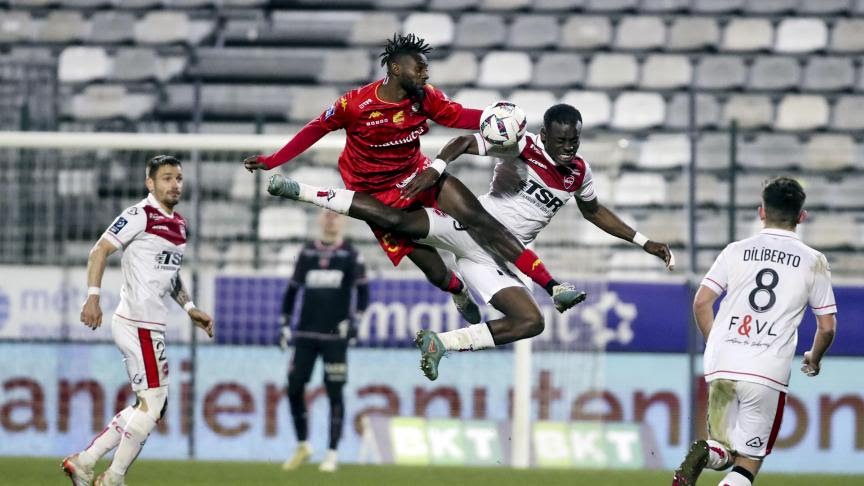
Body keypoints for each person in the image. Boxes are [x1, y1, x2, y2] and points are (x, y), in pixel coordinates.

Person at [269, 104, 673, 380]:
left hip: (496, 260)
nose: (569, 148)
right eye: (562, 140)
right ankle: (301, 190)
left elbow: (594, 211)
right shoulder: (522, 145)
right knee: (396, 221)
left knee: (531, 322)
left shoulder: (578, 173)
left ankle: (441, 343)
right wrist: (438, 167)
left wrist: (643, 241)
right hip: (468, 227)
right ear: (545, 134)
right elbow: (463, 141)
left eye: (575, 141)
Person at [244, 33, 585, 326]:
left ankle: (552, 285)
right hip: (373, 192)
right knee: (436, 273)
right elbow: (315, 129)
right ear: (395, 68)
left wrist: (498, 118)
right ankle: (458, 290)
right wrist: (273, 160)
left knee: (481, 220)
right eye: (419, 67)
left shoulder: (425, 98)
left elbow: (457, 115)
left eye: (426, 67)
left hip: (419, 173)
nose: (425, 73)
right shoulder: (355, 104)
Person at [672, 177, 837, 486]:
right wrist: (813, 359)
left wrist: (717, 342)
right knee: (749, 461)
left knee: (724, 451)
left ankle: (707, 451)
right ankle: (709, 452)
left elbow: (702, 302)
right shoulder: (814, 261)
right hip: (765, 370)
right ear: (801, 216)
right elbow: (826, 327)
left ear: (762, 212)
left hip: (722, 364)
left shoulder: (735, 251)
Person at [62, 155, 214, 486]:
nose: (175, 184)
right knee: (155, 404)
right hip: (137, 322)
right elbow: (98, 251)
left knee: (146, 404)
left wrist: (190, 309)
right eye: (166, 178)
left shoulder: (180, 225)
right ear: (151, 184)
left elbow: (170, 276)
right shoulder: (139, 215)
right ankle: (112, 478)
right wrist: (92, 297)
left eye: (178, 178)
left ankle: (83, 461)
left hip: (150, 324)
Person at [280, 210, 369, 473]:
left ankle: (332, 453)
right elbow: (292, 291)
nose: (331, 218)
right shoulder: (306, 253)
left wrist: (355, 322)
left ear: (343, 221)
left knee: (334, 392)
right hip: (305, 334)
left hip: (334, 337)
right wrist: (284, 324)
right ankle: (303, 444)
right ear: (319, 219)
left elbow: (364, 294)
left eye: (336, 215)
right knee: (294, 387)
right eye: (326, 214)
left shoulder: (352, 254)